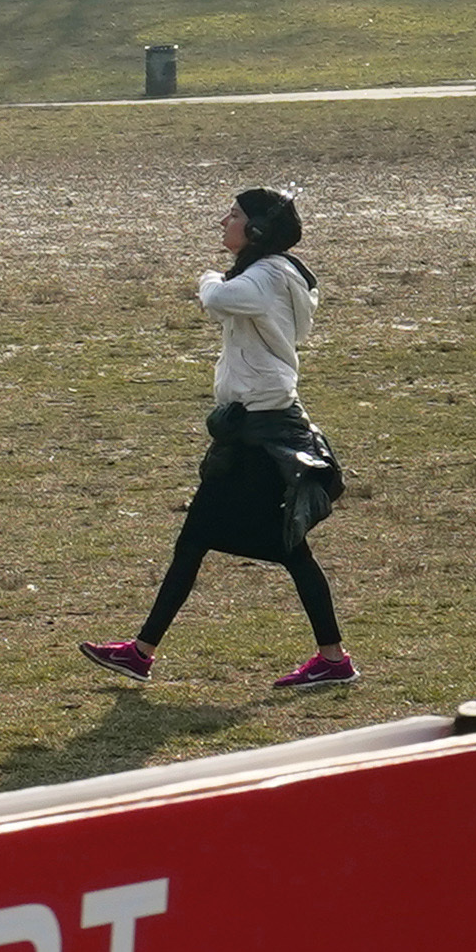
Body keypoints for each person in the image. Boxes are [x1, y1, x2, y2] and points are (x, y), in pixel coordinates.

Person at [85, 187, 355, 689]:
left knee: (240, 544)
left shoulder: (265, 276)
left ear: (256, 229)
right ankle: (142, 653)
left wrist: (208, 276)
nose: (224, 222)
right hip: (254, 428)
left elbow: (217, 298)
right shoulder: (273, 273)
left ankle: (143, 654)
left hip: (261, 434)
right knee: (230, 543)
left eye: (234, 215)